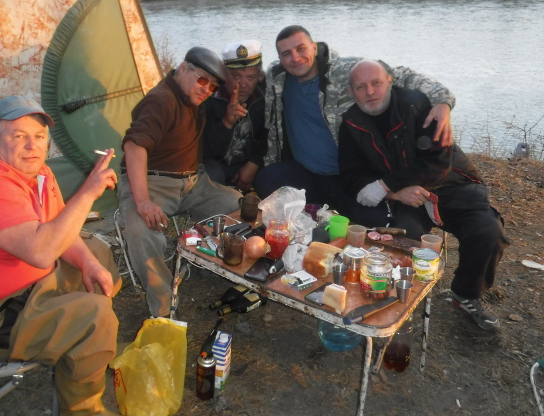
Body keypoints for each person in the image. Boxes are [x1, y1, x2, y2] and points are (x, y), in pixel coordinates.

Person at [0, 95, 122, 416]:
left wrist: (89, 263)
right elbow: (42, 252)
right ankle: (83, 407)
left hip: (20, 294)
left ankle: (87, 349)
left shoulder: (38, 173)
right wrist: (88, 192)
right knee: (94, 316)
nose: (32, 146)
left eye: (39, 136)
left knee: (96, 253)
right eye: (18, 136)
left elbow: (61, 227)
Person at [339, 60, 509, 330]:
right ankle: (397, 298)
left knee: (488, 232)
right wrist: (395, 194)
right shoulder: (351, 123)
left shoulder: (416, 105)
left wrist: (386, 185)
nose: (370, 92)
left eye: (376, 83)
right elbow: (350, 176)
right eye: (361, 87)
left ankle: (466, 294)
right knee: (403, 241)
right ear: (351, 92)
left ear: (390, 82)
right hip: (407, 200)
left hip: (450, 186)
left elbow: (439, 161)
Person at [254, 25, 456, 226]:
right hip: (305, 171)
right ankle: (311, 218)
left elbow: (404, 75)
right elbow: (248, 79)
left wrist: (442, 101)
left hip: (348, 175)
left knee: (377, 222)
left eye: (301, 49)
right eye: (286, 53)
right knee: (266, 180)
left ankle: (327, 214)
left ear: (314, 47)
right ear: (280, 58)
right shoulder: (276, 77)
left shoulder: (347, 70)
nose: (295, 58)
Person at [118, 47, 241, 317]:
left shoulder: (193, 99)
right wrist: (143, 201)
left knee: (238, 206)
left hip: (193, 183)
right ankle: (164, 308)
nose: (206, 89)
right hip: (153, 183)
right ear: (183, 68)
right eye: (202, 80)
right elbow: (134, 147)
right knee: (141, 232)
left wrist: (228, 119)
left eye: (212, 86)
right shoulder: (161, 101)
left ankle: (207, 260)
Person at [202, 40, 268, 191]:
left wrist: (254, 163)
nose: (243, 84)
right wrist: (226, 123)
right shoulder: (208, 97)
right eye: (236, 76)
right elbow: (204, 149)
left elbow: (269, 135)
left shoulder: (264, 97)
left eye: (250, 78)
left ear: (259, 76)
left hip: (251, 162)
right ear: (224, 75)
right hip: (217, 165)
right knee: (209, 175)